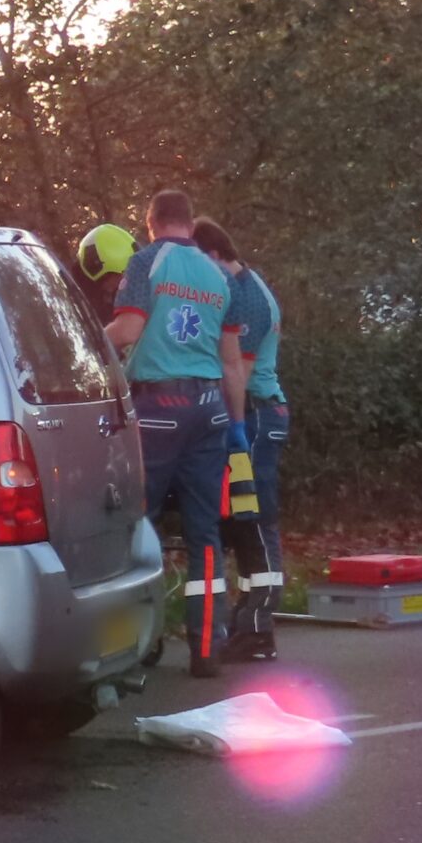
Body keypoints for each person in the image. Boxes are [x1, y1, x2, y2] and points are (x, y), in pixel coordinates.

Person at [105, 189, 243, 678]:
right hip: (209, 410)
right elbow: (231, 362)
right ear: (189, 222)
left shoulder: (146, 264)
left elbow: (126, 331)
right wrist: (238, 426)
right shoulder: (220, 277)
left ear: (151, 223)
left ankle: (138, 646)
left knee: (137, 528)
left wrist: (84, 350)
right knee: (205, 535)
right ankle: (207, 648)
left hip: (158, 406)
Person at [192, 217, 289, 660]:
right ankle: (250, 621)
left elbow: (239, 373)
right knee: (242, 520)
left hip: (254, 414)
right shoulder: (240, 288)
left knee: (255, 514)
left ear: (212, 255)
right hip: (249, 414)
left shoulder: (247, 298)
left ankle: (259, 623)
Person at [75, 222, 136, 323]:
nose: (122, 282)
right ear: (97, 269)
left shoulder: (111, 299)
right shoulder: (75, 303)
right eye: (119, 275)